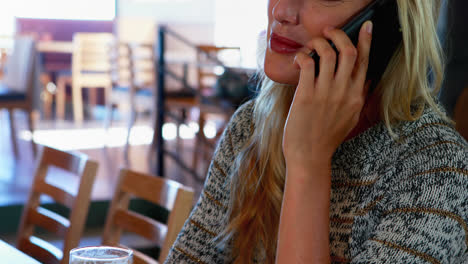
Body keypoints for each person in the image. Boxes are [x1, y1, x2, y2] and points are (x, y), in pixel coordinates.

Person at [165, 0, 468, 263]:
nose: (281, 10)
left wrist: (307, 164)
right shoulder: (252, 126)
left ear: (391, 20)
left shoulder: (436, 168)